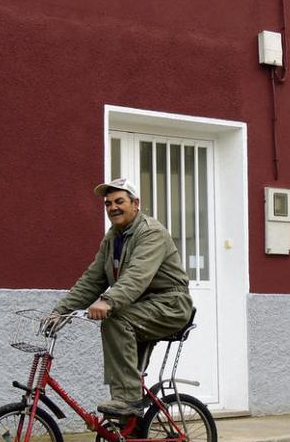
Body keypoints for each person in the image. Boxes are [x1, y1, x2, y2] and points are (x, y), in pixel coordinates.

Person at [49, 177, 193, 417]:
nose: (112, 207)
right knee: (120, 327)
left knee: (115, 320)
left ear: (136, 203)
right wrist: (60, 311)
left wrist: (108, 301)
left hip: (170, 305)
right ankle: (129, 423)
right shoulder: (113, 237)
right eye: (108, 204)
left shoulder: (151, 233)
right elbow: (92, 280)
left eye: (119, 201)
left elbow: (137, 276)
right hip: (141, 307)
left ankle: (127, 399)